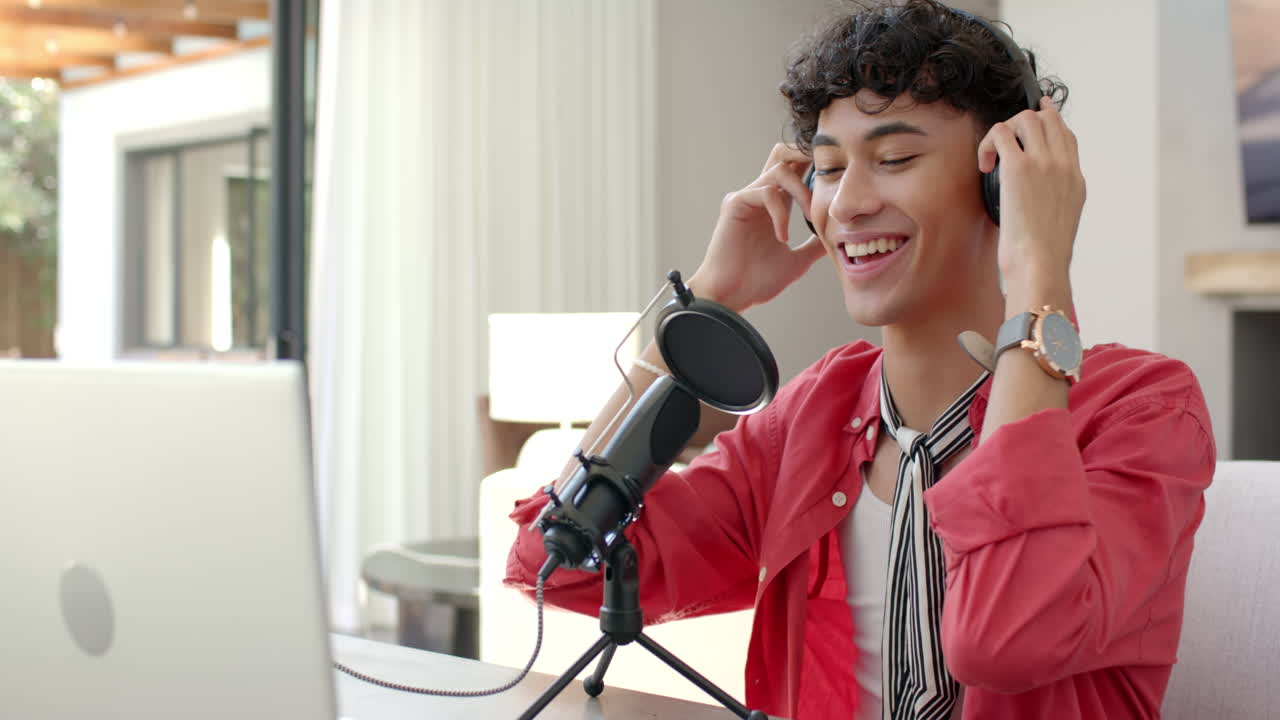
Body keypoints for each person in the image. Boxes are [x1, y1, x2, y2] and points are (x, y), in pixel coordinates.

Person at [505, 2, 1215, 718]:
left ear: (1003, 183)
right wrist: (705, 307)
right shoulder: (811, 416)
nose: (845, 203)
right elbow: (553, 564)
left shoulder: (1144, 411)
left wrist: (1038, 271)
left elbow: (1007, 637)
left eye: (896, 159)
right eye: (827, 168)